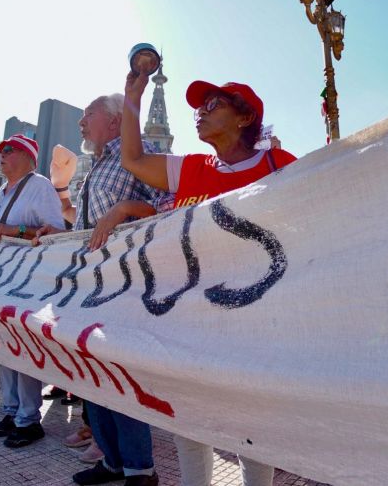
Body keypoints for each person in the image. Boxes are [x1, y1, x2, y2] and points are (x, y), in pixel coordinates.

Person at [119, 71, 298, 486]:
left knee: (251, 426)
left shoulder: (279, 165)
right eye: (200, 106)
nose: (200, 112)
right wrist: (132, 99)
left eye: (214, 104)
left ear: (244, 118)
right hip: (192, 319)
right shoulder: (192, 169)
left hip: (256, 321)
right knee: (188, 419)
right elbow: (133, 160)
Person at [35, 95, 171, 485]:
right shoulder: (94, 169)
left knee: (120, 374)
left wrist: (125, 207)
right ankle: (112, 461)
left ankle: (140, 470)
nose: (80, 122)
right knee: (93, 374)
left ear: (114, 121)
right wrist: (57, 234)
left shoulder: (137, 157)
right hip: (89, 283)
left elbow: (169, 205)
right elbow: (87, 227)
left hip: (127, 283)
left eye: (88, 114)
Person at [0, 134, 65, 448]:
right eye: (0, 151)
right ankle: (13, 410)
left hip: (25, 285)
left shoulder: (39, 186)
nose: (1, 155)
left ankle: (29, 419)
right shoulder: (3, 192)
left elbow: (58, 233)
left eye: (8, 150)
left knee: (24, 350)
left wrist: (15, 231)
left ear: (28, 156)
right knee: (4, 349)